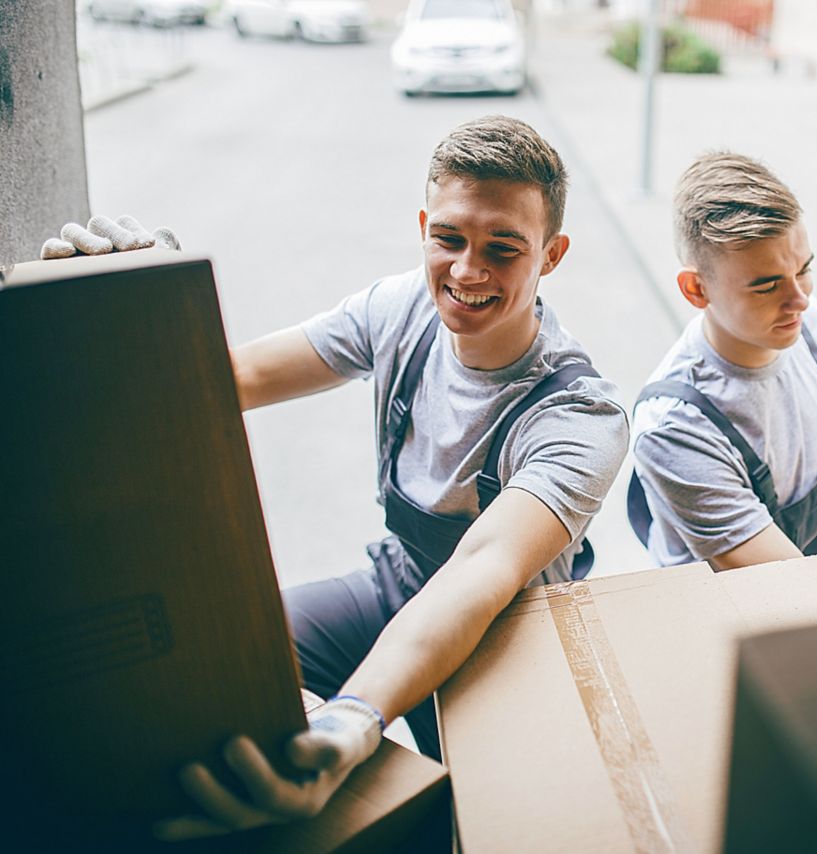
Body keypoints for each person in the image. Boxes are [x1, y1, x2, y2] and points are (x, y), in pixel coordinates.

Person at [49, 115, 629, 838]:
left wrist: (354, 717)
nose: (468, 272)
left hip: (510, 632)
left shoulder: (580, 415)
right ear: (424, 226)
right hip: (397, 582)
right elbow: (232, 378)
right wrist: (127, 299)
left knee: (476, 825)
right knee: (214, 680)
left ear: (552, 253)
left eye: (503, 249)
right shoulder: (400, 311)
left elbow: (481, 570)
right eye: (449, 239)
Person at [628, 151, 817, 570]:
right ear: (696, 290)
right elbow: (784, 584)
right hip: (736, 609)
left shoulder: (811, 326)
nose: (800, 299)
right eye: (767, 286)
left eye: (804, 269)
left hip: (810, 583)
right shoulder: (676, 426)